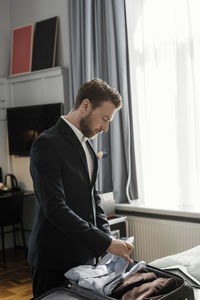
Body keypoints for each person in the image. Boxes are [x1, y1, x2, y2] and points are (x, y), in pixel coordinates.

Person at [28, 78, 134, 297]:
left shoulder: (88, 146)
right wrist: (105, 242)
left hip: (85, 258)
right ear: (86, 105)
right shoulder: (46, 144)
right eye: (104, 118)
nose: (105, 128)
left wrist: (108, 243)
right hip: (54, 261)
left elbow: (93, 198)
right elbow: (55, 209)